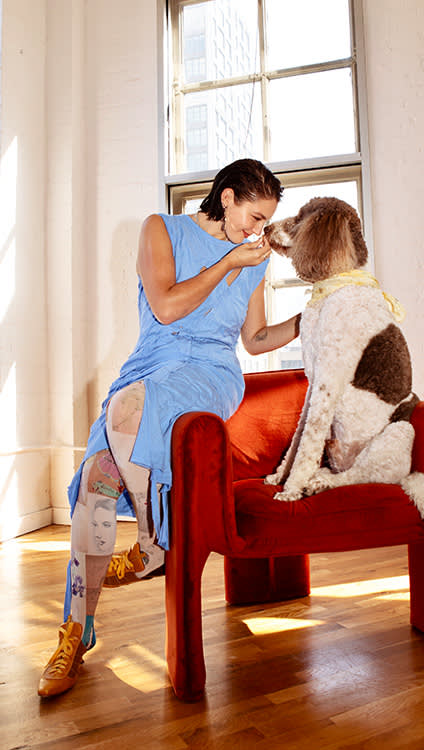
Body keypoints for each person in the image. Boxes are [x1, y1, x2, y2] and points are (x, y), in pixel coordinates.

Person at [39, 159, 300, 697]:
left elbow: (253, 340)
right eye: (253, 216)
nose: (257, 232)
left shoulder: (253, 262)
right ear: (226, 198)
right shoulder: (160, 228)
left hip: (209, 374)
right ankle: (75, 634)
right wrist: (228, 262)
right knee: (94, 487)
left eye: (265, 221)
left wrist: (308, 319)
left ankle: (154, 545)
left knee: (127, 412)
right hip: (150, 366)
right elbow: (165, 307)